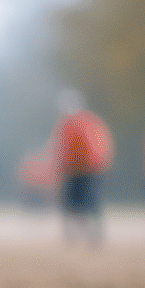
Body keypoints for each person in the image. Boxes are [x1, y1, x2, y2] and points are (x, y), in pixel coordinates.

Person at [51, 93, 113, 246]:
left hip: (86, 169)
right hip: (77, 169)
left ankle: (91, 233)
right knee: (75, 203)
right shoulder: (71, 124)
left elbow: (93, 146)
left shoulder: (83, 123)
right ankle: (81, 233)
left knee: (85, 202)